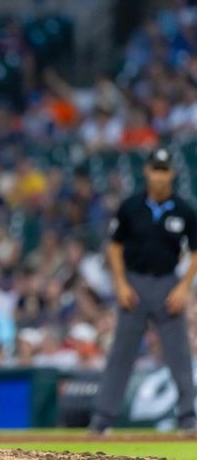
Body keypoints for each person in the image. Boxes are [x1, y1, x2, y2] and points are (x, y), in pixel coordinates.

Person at [89, 148, 197, 435]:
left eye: (164, 170)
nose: (160, 176)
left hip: (167, 284)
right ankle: (102, 420)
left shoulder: (184, 210)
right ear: (146, 172)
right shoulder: (131, 207)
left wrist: (184, 287)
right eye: (155, 169)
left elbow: (196, 251)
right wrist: (121, 283)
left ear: (172, 173)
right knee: (121, 354)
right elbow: (114, 246)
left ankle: (188, 418)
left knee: (179, 354)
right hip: (134, 284)